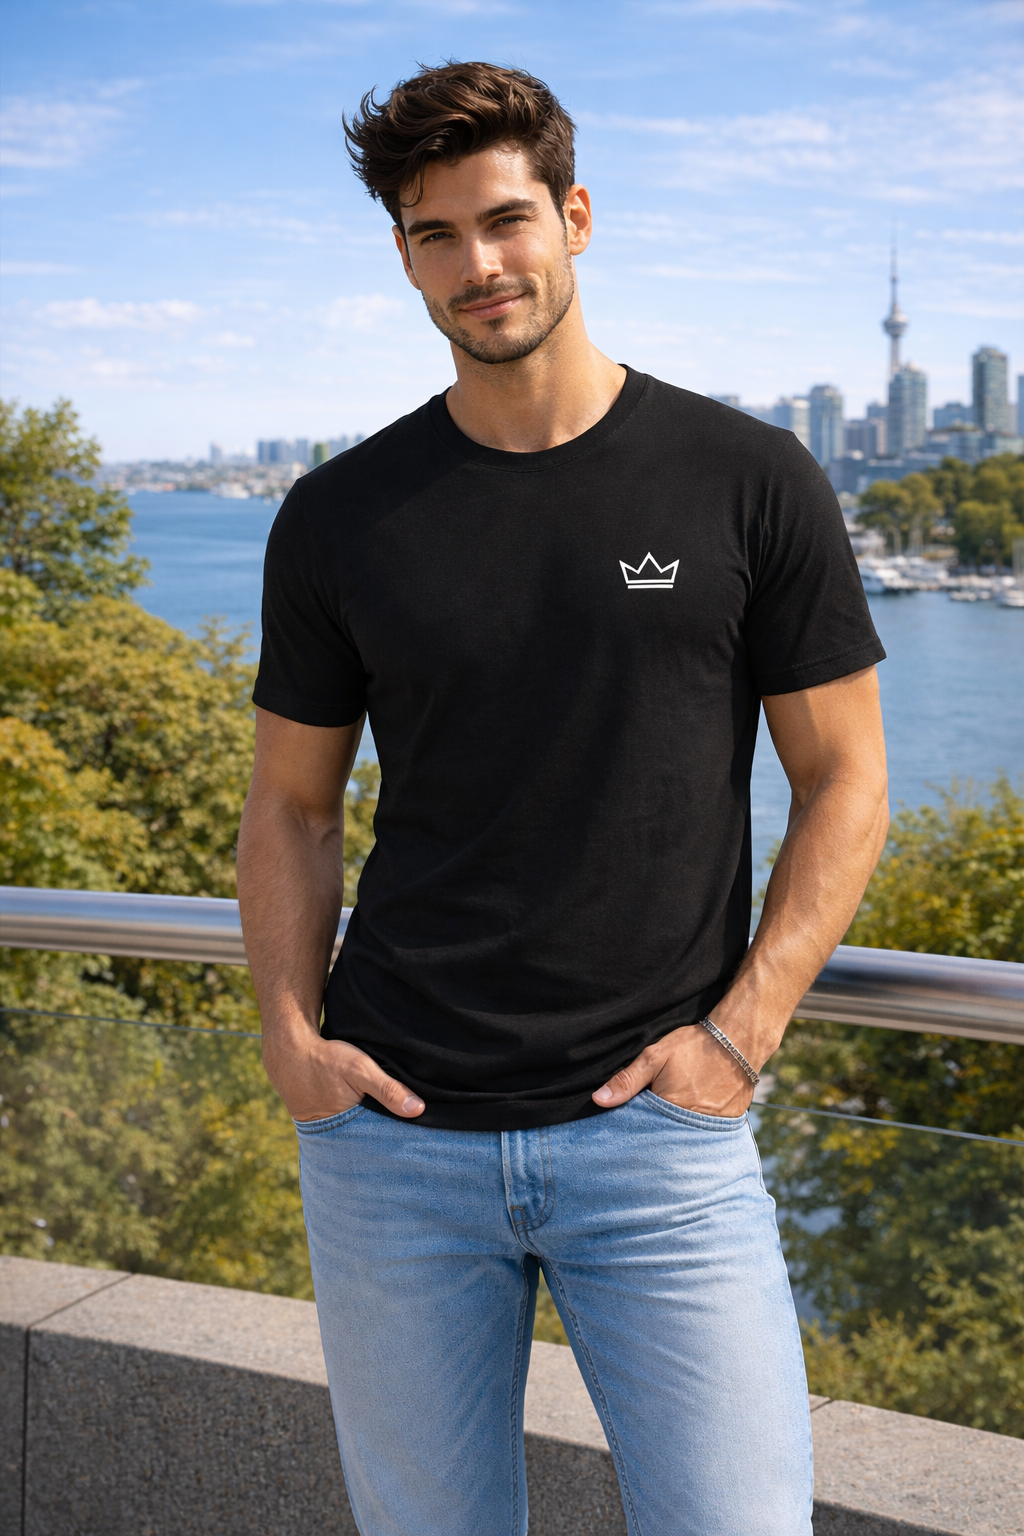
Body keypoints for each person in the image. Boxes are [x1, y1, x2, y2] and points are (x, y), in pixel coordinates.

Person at [236, 61, 888, 1536]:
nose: (480, 265)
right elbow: (292, 809)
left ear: (575, 218)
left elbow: (845, 780)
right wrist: (291, 1040)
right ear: (402, 257)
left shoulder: (749, 480)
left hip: (658, 1138)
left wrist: (745, 1031)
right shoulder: (341, 516)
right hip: (392, 1140)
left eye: (506, 220)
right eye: (435, 235)